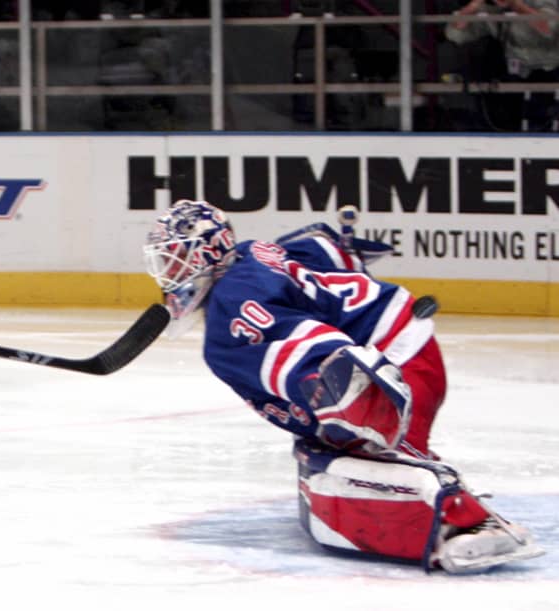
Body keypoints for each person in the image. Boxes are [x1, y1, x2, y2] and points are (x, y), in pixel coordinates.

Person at [142, 199, 545, 574]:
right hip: (403, 337)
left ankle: (471, 524)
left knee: (382, 451)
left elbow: (322, 355)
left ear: (207, 254)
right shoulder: (251, 253)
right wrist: (348, 252)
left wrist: (355, 408)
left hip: (398, 360)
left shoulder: (231, 315)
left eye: (175, 260)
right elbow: (321, 249)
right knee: (357, 444)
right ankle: (431, 486)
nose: (168, 272)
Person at [446, 0, 559, 131]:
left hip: (552, 69)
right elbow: (454, 35)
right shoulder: (491, 9)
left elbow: (548, 29)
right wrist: (473, 7)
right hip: (518, 74)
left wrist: (516, 6)